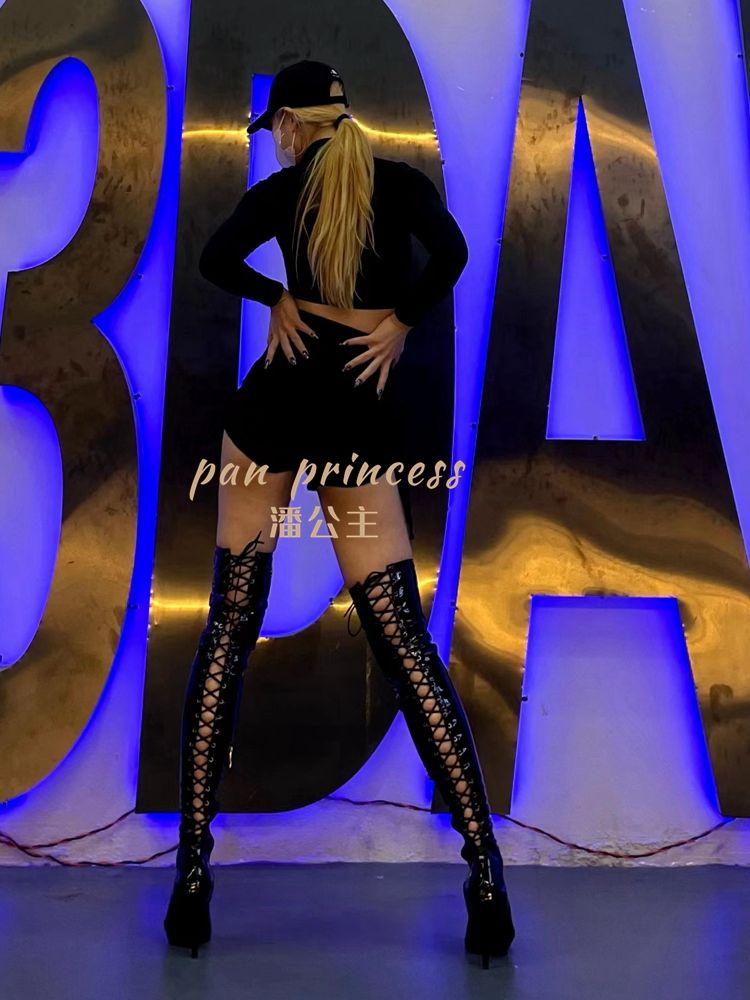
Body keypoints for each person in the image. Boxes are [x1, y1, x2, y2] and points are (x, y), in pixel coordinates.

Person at [163, 59, 515, 968]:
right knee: (403, 643)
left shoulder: (282, 194)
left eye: (275, 128)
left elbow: (212, 259)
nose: (276, 141)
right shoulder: (397, 184)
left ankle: (192, 872)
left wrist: (275, 297)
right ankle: (485, 874)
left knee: (229, 626)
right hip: (356, 406)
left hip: (280, 400)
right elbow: (455, 253)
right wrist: (400, 321)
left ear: (289, 123)